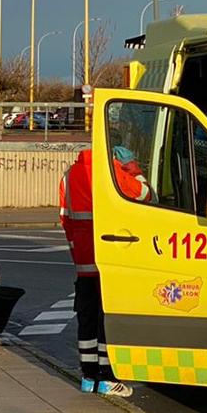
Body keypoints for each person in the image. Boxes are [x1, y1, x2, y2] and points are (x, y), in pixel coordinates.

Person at [59, 147, 145, 397]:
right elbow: (145, 194)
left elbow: (65, 218)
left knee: (86, 318)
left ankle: (88, 377)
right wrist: (133, 169)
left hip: (84, 259)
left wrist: (76, 249)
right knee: (107, 318)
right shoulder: (113, 171)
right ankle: (107, 378)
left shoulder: (69, 175)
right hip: (111, 256)